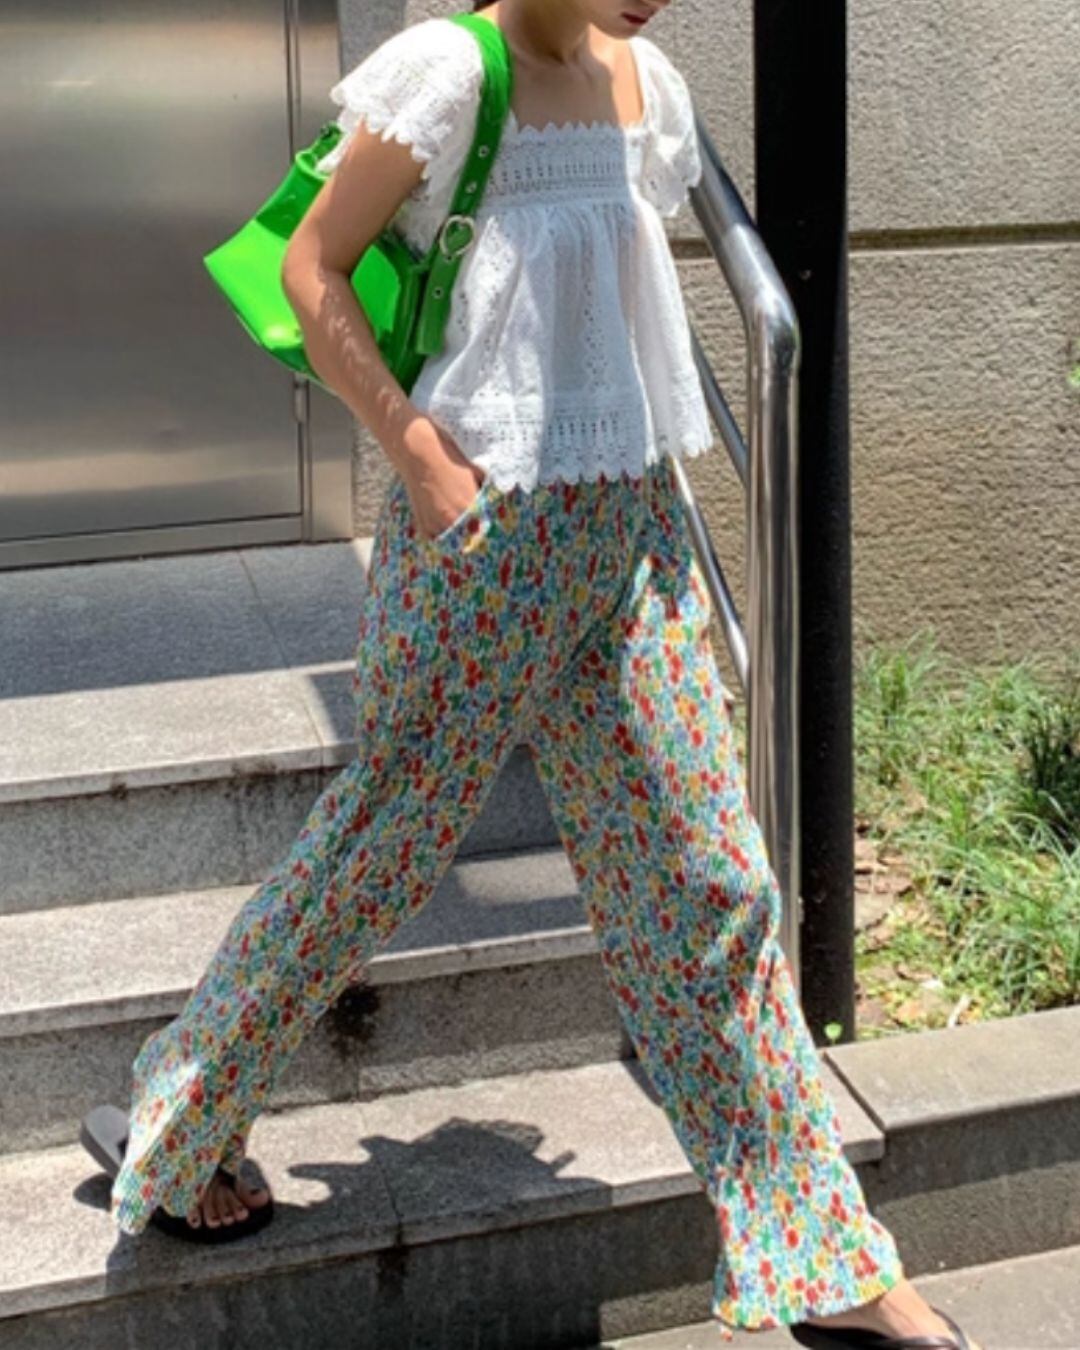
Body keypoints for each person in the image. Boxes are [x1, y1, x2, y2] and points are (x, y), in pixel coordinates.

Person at [83, 3, 982, 1347]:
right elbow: (312, 269)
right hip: (482, 536)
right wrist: (415, 451)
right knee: (377, 857)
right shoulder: (450, 70)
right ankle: (180, 1113)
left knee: (714, 883)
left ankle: (822, 1253)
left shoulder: (646, 82)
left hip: (634, 530)